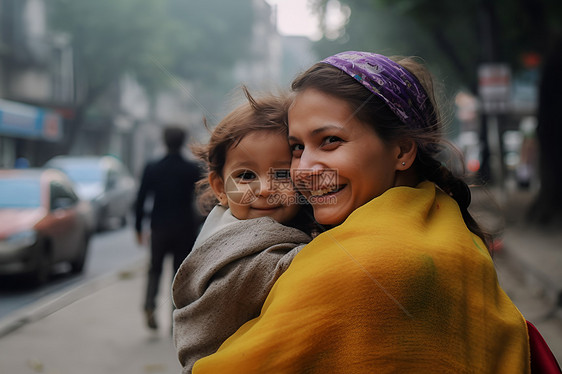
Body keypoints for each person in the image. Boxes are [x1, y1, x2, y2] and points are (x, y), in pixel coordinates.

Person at [189, 52, 534, 373]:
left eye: (330, 141)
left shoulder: (357, 265)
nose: (304, 169)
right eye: (297, 147)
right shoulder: (446, 226)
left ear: (401, 150)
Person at [171, 88, 314, 373]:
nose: (264, 190)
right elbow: (295, 269)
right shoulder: (234, 243)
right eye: (246, 175)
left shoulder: (282, 227)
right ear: (220, 189)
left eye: (282, 174)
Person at [135, 125, 201, 331]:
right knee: (178, 275)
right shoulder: (191, 169)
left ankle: (149, 306)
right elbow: (202, 202)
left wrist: (138, 228)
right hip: (185, 229)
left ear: (164, 141)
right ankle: (176, 317)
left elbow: (140, 200)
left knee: (154, 269)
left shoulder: (153, 167)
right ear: (183, 142)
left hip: (159, 228)